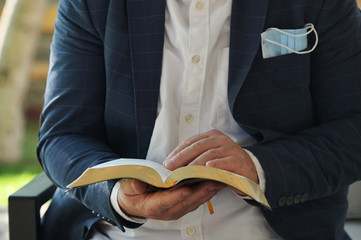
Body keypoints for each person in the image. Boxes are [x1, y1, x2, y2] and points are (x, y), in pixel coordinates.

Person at [37, 0, 361, 239]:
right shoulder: (91, 5)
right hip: (115, 230)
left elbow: (354, 129)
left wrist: (257, 167)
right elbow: (62, 135)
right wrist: (118, 195)